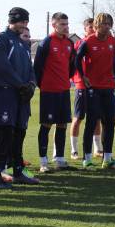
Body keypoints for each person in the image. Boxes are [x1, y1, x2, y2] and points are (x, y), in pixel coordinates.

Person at [0, 7, 39, 189]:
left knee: (20, 132)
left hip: (22, 95)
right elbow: (2, 67)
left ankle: (18, 171)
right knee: (4, 134)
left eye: (26, 22)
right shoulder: (1, 39)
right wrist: (20, 85)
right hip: (6, 93)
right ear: (13, 20)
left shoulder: (23, 43)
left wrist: (31, 85)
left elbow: (30, 68)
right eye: (22, 22)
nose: (24, 25)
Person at [75, 12, 115, 169]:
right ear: (96, 26)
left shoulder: (113, 41)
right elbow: (76, 59)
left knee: (110, 122)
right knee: (91, 121)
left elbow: (113, 59)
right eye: (104, 24)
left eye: (109, 24)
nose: (107, 27)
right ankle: (87, 159)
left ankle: (107, 158)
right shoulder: (87, 41)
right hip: (93, 87)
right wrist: (83, 76)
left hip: (108, 87)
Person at [34, 12, 76, 172]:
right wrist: (43, 85)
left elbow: (71, 67)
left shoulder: (69, 43)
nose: (66, 27)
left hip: (64, 90)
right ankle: (43, 161)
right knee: (46, 124)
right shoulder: (46, 43)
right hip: (49, 91)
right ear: (54, 25)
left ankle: (59, 158)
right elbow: (37, 67)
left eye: (67, 24)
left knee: (62, 124)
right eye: (62, 24)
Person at [70, 17, 101, 158]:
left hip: (96, 85)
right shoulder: (78, 44)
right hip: (81, 85)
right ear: (85, 29)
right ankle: (74, 150)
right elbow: (72, 63)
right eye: (90, 27)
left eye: (95, 27)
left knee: (96, 118)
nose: (93, 30)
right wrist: (77, 78)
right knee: (78, 117)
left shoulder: (99, 43)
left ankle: (97, 148)